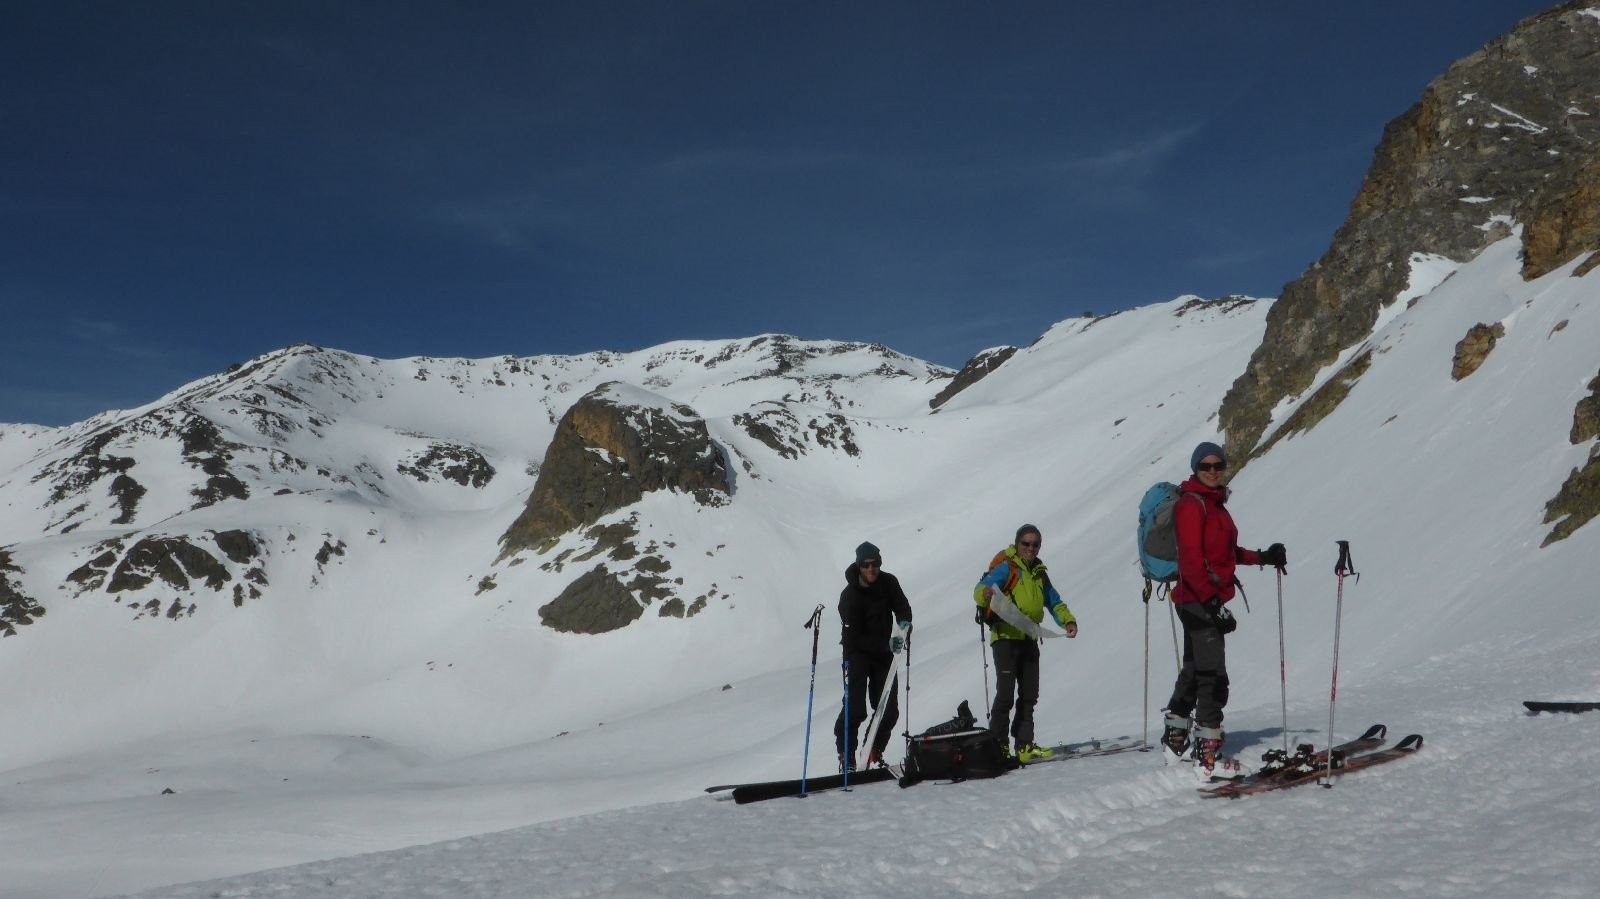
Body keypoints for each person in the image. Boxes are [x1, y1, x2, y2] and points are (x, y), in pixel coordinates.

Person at [1160, 441, 1286, 766]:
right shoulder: (1192, 505)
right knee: (1212, 674)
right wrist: (1213, 602)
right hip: (1197, 601)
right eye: (1206, 466)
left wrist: (1263, 557)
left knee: (1195, 668)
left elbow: (1224, 553)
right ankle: (1208, 746)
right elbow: (1190, 560)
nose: (1213, 471)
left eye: (1218, 465)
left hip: (1199, 600)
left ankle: (1176, 731)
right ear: (1195, 469)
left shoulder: (1215, 505)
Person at [973, 524, 1077, 762]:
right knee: (1006, 694)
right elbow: (979, 590)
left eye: (1035, 544)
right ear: (1017, 544)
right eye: (1026, 544)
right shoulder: (1007, 567)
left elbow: (1054, 601)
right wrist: (986, 594)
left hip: (1029, 638)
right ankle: (998, 745)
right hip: (1005, 638)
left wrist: (1068, 621)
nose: (1030, 548)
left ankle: (1024, 745)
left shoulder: (1039, 573)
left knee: (1030, 694)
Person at [834, 541, 914, 771]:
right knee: (855, 707)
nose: (871, 569)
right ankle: (847, 754)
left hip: (884, 652)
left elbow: (903, 607)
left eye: (875, 564)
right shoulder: (849, 596)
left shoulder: (888, 582)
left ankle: (872, 750)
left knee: (889, 709)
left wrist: (905, 624)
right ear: (859, 566)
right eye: (866, 565)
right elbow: (855, 638)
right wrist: (888, 643)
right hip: (857, 653)